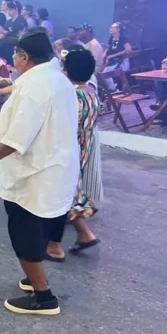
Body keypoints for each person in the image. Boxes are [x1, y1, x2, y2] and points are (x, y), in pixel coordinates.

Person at [0, 28, 79, 315]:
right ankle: (35, 277)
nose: (12, 58)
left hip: (35, 174)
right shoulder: (57, 79)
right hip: (56, 169)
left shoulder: (33, 86)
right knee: (39, 227)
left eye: (15, 54)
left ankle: (44, 297)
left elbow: (15, 140)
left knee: (23, 231)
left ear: (24, 57)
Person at [46, 46, 103, 262]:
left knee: (60, 194)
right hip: (84, 148)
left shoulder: (71, 97)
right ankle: (84, 234)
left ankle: (54, 245)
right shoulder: (91, 94)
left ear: (66, 71)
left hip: (68, 149)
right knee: (69, 192)